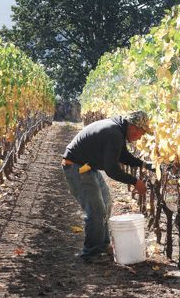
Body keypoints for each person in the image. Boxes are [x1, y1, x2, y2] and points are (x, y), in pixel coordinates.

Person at [62, 110, 154, 262]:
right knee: (96, 211)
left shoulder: (117, 129)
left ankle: (102, 245)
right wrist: (135, 182)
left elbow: (122, 155)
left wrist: (144, 164)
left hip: (86, 168)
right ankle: (91, 253)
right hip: (77, 168)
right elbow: (112, 170)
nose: (141, 137)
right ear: (134, 127)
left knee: (106, 202)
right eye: (142, 133)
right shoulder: (114, 133)